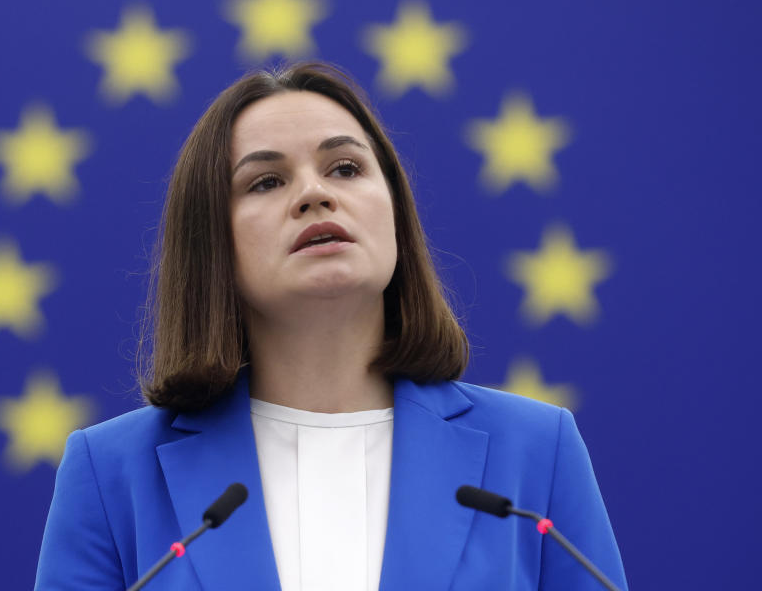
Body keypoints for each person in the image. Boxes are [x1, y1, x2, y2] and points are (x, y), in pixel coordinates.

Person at [34, 62, 627, 590]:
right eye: (266, 181)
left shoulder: (536, 451)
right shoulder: (111, 474)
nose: (315, 194)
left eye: (345, 168)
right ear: (211, 241)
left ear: (393, 209)